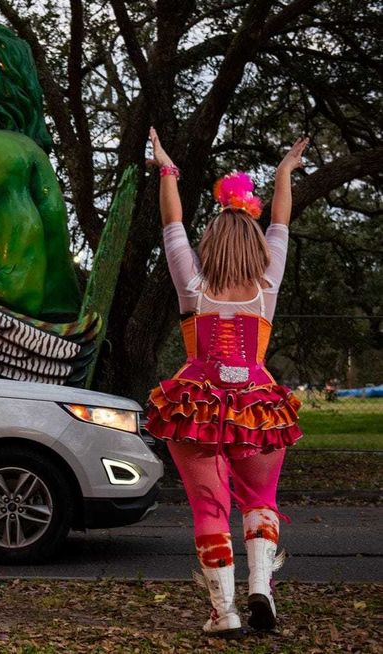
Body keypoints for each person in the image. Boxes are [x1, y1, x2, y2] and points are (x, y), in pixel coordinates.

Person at [144, 129, 308, 637]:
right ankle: (262, 583)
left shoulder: (191, 282)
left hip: (198, 405)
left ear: (209, 241)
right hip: (258, 405)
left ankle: (225, 611)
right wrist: (283, 174)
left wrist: (167, 170)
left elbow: (172, 223)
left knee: (209, 508)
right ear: (256, 241)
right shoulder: (268, 282)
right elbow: (280, 221)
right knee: (260, 500)